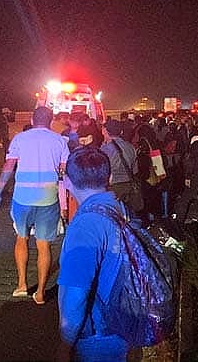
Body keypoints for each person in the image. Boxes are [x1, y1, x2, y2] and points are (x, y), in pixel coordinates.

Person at [0, 106, 69, 305]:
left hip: (22, 197)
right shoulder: (60, 141)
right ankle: (41, 292)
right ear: (50, 121)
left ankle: (22, 285)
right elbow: (65, 173)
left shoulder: (19, 139)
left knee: (21, 239)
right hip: (48, 199)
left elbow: (9, 166)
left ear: (32, 120)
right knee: (43, 245)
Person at [56, 147, 130, 361]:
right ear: (110, 177)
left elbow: (76, 295)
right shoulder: (119, 209)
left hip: (99, 336)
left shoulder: (86, 227)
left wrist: (64, 346)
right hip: (123, 324)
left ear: (67, 182)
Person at [101, 119, 142, 214]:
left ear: (105, 131)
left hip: (113, 187)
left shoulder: (105, 149)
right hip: (129, 185)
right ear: (121, 132)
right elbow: (135, 170)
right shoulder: (130, 147)